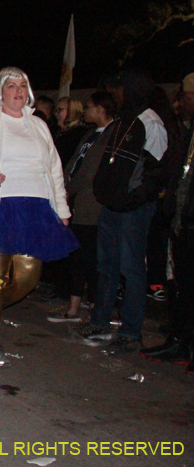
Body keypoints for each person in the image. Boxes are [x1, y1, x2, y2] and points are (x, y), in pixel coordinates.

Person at [0, 67, 77, 367]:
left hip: (35, 208)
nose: (18, 91)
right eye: (12, 85)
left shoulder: (39, 126)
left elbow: (54, 169)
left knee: (28, 277)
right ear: (0, 91)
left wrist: (62, 209)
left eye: (23, 85)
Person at [76, 69, 168, 353]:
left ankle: (130, 331)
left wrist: (132, 200)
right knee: (107, 266)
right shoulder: (124, 121)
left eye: (119, 89)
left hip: (132, 210)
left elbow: (157, 172)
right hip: (112, 206)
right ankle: (101, 321)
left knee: (131, 269)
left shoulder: (150, 122)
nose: (115, 94)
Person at [140, 73, 194, 373]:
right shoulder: (188, 131)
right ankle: (180, 339)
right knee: (181, 285)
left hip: (190, 221)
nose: (180, 103)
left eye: (185, 98)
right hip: (182, 221)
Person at [48, 92, 115, 323]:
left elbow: (89, 172)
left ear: (100, 109)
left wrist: (67, 189)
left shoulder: (110, 135)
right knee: (78, 257)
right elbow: (73, 163)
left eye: (89, 107)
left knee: (91, 259)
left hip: (92, 206)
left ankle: (95, 311)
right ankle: (74, 307)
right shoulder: (90, 134)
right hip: (77, 203)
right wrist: (62, 186)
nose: (86, 111)